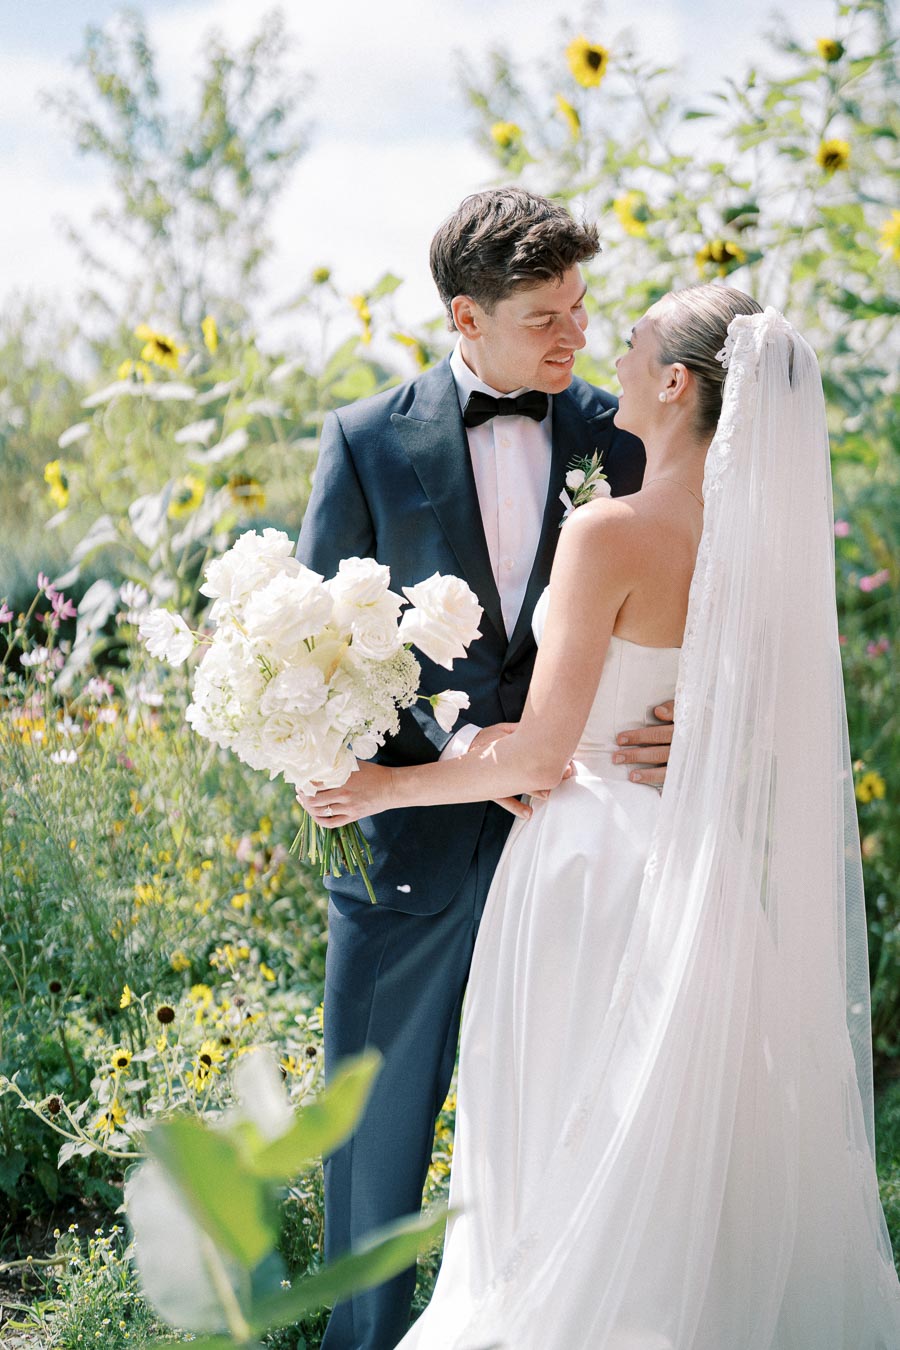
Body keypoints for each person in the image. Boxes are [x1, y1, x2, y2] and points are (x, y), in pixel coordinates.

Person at [307, 288, 900, 1348]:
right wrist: (710, 728)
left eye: (630, 343)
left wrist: (381, 786)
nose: (608, 354)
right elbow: (777, 704)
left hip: (586, 863)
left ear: (676, 382)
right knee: (686, 1141)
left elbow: (538, 753)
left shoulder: (611, 531)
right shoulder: (756, 535)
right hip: (694, 858)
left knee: (560, 1132)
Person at [294, 187, 660, 1350]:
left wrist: (687, 719)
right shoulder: (363, 441)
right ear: (466, 318)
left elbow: (679, 612)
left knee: (570, 1122)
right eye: (546, 317)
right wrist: (452, 751)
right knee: (373, 1131)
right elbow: (317, 647)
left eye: (582, 308)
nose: (577, 338)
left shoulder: (622, 438)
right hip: (412, 849)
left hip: (586, 838)